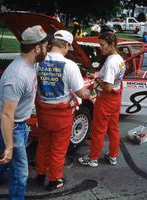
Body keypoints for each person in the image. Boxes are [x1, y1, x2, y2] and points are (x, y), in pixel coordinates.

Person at [0, 25, 50, 200]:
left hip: (19, 124)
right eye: (45, 46)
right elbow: (7, 114)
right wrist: (9, 145)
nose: (47, 49)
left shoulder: (30, 63)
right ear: (36, 48)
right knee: (20, 173)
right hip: (10, 126)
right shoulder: (18, 76)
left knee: (10, 160)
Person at [35, 30, 85, 191]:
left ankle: (40, 175)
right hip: (61, 114)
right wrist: (92, 92)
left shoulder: (37, 60)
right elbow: (81, 93)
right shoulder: (70, 65)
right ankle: (54, 180)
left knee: (43, 145)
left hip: (42, 111)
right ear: (66, 45)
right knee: (58, 148)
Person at [78, 31, 125, 167]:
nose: (101, 48)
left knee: (98, 130)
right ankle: (113, 156)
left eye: (103, 45)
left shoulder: (110, 62)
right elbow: (116, 81)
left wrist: (96, 78)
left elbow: (108, 87)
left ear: (112, 44)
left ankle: (93, 159)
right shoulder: (119, 59)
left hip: (106, 99)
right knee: (113, 129)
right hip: (115, 99)